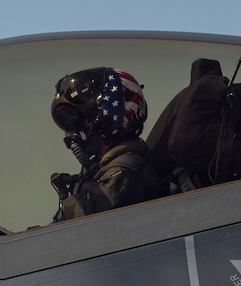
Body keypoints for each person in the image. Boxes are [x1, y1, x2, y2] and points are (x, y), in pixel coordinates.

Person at [50, 67, 162, 222]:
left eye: (84, 119)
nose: (76, 131)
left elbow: (100, 207)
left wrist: (64, 214)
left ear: (108, 118)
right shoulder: (100, 172)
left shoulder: (127, 169)